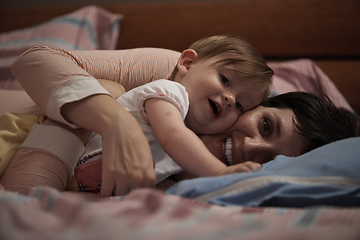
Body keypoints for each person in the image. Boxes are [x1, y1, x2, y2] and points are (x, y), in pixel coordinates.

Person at [1, 42, 357, 197]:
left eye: (272, 161)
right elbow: (35, 59)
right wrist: (114, 120)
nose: (251, 147)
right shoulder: (180, 83)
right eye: (265, 125)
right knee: (105, 88)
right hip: (11, 124)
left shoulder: (185, 187)